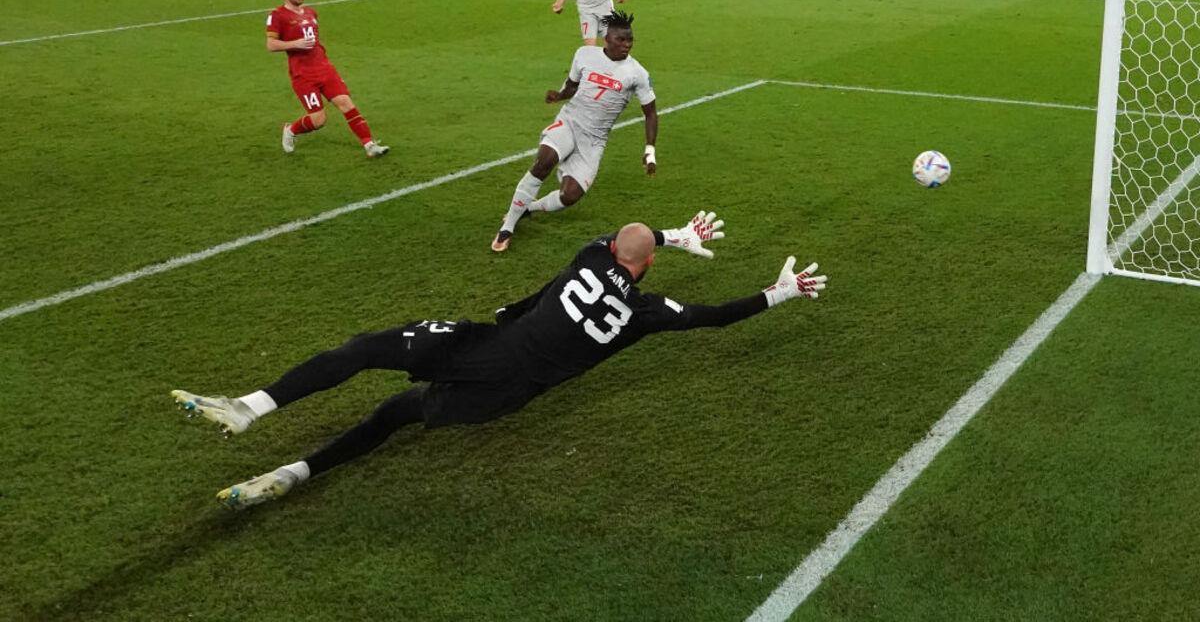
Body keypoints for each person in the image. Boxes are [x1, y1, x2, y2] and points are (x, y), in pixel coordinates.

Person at [171, 214, 828, 509]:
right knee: (397, 414)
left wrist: (674, 234)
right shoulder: (646, 312)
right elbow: (713, 316)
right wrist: (779, 292)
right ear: (648, 268)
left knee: (365, 350)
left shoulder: (588, 255)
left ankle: (252, 407)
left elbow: (618, 239)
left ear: (617, 251)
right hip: (505, 391)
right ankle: (297, 472)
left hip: (482, 344)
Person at [491, 10, 653, 252]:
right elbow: (572, 86)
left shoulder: (637, 73)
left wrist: (650, 150)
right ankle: (508, 228)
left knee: (570, 196)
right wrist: (559, 96)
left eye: (630, 40)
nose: (627, 45)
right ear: (607, 38)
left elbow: (650, 112)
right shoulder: (585, 54)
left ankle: (528, 208)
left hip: (594, 140)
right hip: (570, 121)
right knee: (543, 161)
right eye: (621, 40)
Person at [267, 0, 389, 158]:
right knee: (319, 120)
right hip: (303, 76)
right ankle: (290, 130)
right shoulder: (277, 16)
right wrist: (295, 44)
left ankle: (369, 145)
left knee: (346, 104)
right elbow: (271, 45)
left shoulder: (311, 13)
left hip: (325, 69)